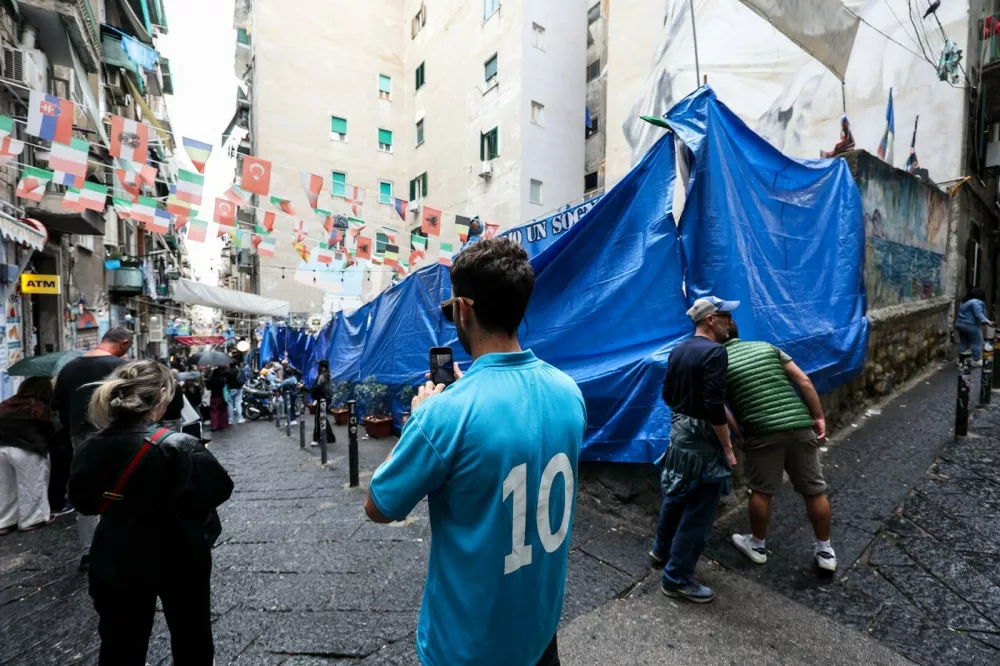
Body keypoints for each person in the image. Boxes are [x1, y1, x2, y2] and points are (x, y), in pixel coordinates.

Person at [364, 237, 586, 666]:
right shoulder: (569, 392)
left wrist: (420, 420)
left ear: (463, 309)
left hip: (467, 648)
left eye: (451, 310)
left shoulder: (443, 415)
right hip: (540, 634)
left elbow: (379, 506)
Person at [68, 360, 233, 666]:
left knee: (120, 645)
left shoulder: (90, 447)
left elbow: (84, 503)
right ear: (160, 395)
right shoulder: (182, 446)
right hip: (180, 554)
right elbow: (218, 490)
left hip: (116, 554)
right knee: (192, 638)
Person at [722, 321, 837, 573]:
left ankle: (758, 546)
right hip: (799, 424)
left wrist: (739, 433)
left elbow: (719, 406)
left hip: (761, 432)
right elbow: (804, 381)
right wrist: (817, 416)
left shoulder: (717, 362)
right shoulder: (767, 347)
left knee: (762, 492)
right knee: (814, 491)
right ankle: (825, 550)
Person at [649, 296, 739, 604]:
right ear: (711, 320)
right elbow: (714, 405)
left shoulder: (679, 349)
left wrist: (683, 416)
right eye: (726, 317)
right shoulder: (714, 353)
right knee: (699, 511)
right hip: (702, 441)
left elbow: (667, 392)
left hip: (679, 433)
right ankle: (677, 578)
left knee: (675, 495)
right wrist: (727, 447)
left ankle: (660, 550)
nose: (731, 323)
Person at [51, 327, 132, 570]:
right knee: (122, 489)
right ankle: (120, 547)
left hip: (80, 438)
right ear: (124, 343)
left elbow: (57, 406)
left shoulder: (70, 367)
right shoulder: (122, 367)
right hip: (117, 436)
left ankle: (90, 552)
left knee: (87, 492)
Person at [0, 377, 58, 535]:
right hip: (28, 448)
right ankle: (32, 520)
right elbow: (49, 431)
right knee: (33, 484)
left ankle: (4, 522)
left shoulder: (5, 404)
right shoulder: (38, 408)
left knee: (6, 487)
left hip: (2, 447)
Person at [956, 287, 994, 366]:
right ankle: (976, 360)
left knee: (963, 342)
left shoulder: (965, 301)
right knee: (977, 342)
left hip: (960, 324)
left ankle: (960, 360)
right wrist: (987, 321)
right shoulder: (976, 302)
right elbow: (979, 314)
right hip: (971, 325)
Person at [309, 360, 335, 447]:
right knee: (322, 418)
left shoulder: (322, 376)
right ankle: (330, 437)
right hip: (326, 400)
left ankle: (316, 439)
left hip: (322, 400)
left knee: (318, 419)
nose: (318, 367)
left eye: (319, 365)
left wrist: (306, 390)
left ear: (322, 367)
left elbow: (317, 388)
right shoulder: (327, 375)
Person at [205, 366, 229, 431]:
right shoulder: (223, 380)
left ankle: (214, 426)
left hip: (214, 397)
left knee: (214, 412)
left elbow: (208, 387)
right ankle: (223, 425)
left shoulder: (211, 380)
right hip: (222, 397)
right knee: (222, 412)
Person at [226, 358, 248, 425]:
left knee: (230, 404)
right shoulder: (238, 370)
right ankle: (240, 418)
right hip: (239, 388)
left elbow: (226, 381)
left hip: (230, 389)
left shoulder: (227, 372)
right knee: (238, 403)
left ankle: (230, 420)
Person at [279, 360, 301, 426]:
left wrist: (298, 380)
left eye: (284, 364)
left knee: (289, 406)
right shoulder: (282, 369)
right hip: (288, 388)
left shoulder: (292, 369)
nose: (283, 366)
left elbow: (299, 373)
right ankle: (292, 419)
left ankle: (291, 419)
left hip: (289, 390)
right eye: (282, 364)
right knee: (290, 406)